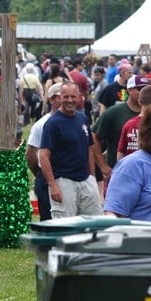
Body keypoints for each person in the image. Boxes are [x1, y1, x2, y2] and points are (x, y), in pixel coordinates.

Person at [37, 82, 101, 218]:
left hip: (86, 180)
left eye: (73, 96)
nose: (70, 100)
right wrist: (52, 184)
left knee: (94, 222)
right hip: (64, 181)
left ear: (79, 97)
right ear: (60, 97)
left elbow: (89, 149)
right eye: (66, 97)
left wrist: (92, 177)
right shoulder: (53, 123)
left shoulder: (82, 118)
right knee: (65, 225)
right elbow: (43, 156)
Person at [25, 83, 63, 221]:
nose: (68, 100)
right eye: (62, 96)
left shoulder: (77, 120)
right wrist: (41, 174)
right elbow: (30, 154)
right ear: (52, 99)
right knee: (48, 220)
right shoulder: (41, 125)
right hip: (47, 177)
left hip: (68, 177)